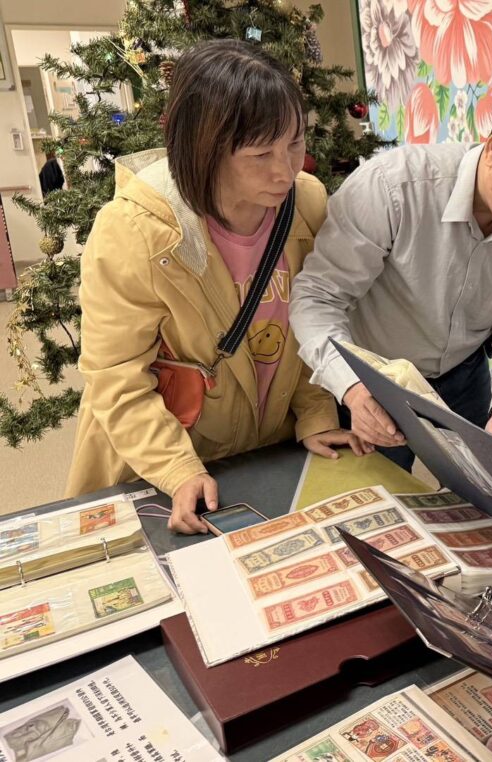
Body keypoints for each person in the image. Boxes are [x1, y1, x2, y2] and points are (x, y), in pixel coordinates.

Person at [67, 40, 356, 534]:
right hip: (171, 467)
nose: (285, 171)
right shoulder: (133, 232)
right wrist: (177, 468)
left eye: (294, 143)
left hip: (269, 456)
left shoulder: (306, 204)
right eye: (260, 153)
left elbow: (313, 323)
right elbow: (115, 376)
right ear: (205, 150)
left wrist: (315, 414)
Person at [290, 88, 492, 469]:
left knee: (466, 507)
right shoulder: (394, 188)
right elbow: (318, 299)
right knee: (380, 495)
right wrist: (353, 389)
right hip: (373, 380)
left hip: (466, 382)